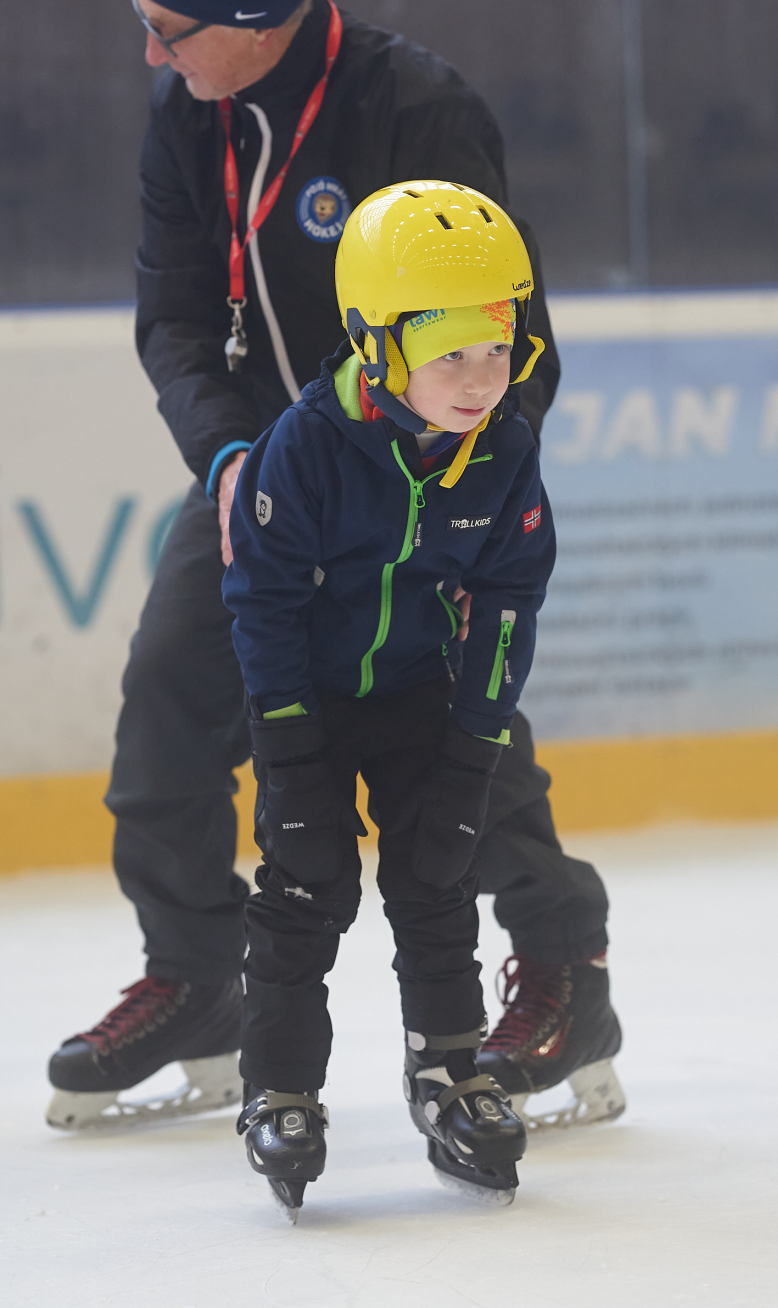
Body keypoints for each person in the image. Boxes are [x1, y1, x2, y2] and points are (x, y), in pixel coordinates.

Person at [45, 0, 623, 1133]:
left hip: (416, 480)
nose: (149, 53)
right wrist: (229, 463)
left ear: (250, 19)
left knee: (446, 740)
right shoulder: (185, 119)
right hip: (261, 477)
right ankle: (197, 977)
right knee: (169, 701)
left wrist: (462, 485)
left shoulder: (413, 108)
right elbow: (174, 322)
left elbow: (512, 333)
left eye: (166, 28)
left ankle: (563, 971)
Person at [228, 180, 554, 1219]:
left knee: (436, 874)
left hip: (418, 690)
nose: (480, 380)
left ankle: (449, 1072)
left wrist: (475, 747)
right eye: (450, 355)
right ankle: (280, 1089)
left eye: (498, 350)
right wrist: (288, 755)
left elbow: (510, 598)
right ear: (377, 346)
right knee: (306, 882)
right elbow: (263, 602)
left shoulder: (502, 447)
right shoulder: (306, 446)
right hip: (309, 702)